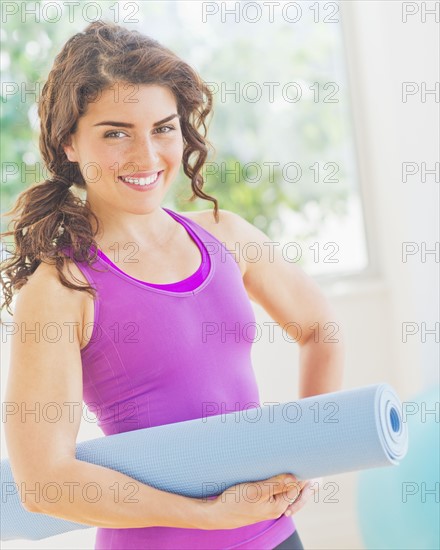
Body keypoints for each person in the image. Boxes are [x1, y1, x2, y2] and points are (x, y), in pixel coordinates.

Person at [1, 21, 344, 550]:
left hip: (276, 538)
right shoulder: (61, 288)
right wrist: (208, 516)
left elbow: (320, 328)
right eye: (115, 133)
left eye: (163, 128)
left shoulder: (224, 235)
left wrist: (308, 456)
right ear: (68, 141)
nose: (146, 156)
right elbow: (43, 484)